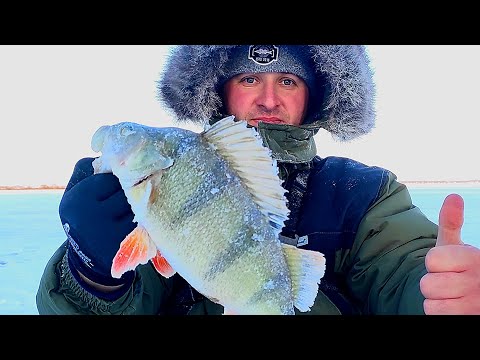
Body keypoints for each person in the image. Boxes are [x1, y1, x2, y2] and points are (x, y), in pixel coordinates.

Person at [36, 45, 480, 315]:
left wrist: (442, 293)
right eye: (250, 77)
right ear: (220, 88)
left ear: (315, 94)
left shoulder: (363, 196)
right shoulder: (163, 175)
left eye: (287, 80)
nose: (268, 98)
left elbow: (403, 271)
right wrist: (91, 269)